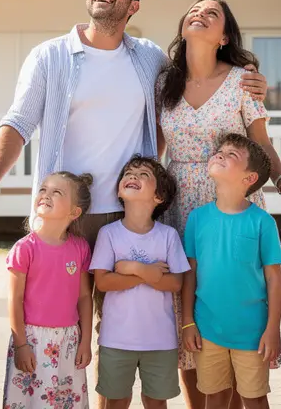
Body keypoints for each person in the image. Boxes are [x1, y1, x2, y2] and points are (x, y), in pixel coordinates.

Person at [0, 0, 267, 408]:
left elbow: (195, 81)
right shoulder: (50, 56)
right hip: (69, 219)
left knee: (136, 333)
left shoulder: (149, 58)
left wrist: (251, 79)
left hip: (134, 217)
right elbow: (19, 122)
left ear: (133, 4)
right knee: (57, 334)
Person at [154, 0, 281, 409]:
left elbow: (261, 144)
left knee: (233, 302)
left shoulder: (243, 80)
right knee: (187, 318)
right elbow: (154, 148)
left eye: (212, 13)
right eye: (194, 10)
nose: (200, 14)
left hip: (235, 204)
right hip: (180, 206)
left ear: (224, 36)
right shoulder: (163, 82)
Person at [180, 133, 281, 409]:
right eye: (221, 152)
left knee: (254, 399)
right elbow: (190, 274)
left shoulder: (262, 222)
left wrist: (272, 329)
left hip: (252, 332)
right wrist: (188, 321)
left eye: (231, 155)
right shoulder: (196, 218)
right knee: (214, 397)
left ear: (249, 178)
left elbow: (274, 279)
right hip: (207, 329)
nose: (221, 155)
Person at [89, 155, 189, 409]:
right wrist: (148, 274)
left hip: (160, 340)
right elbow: (103, 282)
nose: (133, 176)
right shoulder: (108, 234)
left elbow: (175, 283)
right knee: (117, 401)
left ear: (159, 196)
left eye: (144, 174)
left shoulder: (168, 236)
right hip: (116, 339)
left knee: (155, 402)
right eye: (128, 173)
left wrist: (132, 269)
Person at [2, 171, 94, 409]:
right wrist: (21, 345)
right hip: (32, 342)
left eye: (57, 192)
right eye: (43, 189)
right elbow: (15, 299)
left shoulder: (80, 248)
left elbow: (84, 296)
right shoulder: (24, 249)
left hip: (68, 342)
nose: (46, 194)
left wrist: (85, 342)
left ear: (74, 212)